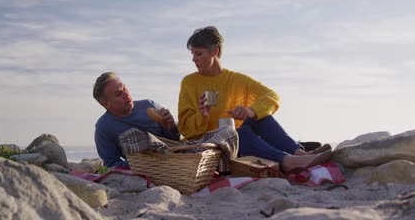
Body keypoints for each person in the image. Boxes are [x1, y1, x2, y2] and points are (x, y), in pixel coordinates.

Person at [177, 26, 332, 173]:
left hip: (238, 143)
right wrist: (202, 115)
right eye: (192, 54)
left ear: (215, 52)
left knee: (261, 117)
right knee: (238, 132)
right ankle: (288, 161)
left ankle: (299, 154)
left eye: (198, 54)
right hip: (207, 144)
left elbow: (271, 96)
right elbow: (185, 130)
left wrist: (251, 110)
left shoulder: (236, 79)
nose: (193, 59)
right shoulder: (189, 83)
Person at [93, 72, 180, 168]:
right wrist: (143, 163)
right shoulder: (104, 127)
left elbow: (176, 142)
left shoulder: (149, 105)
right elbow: (111, 164)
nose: (126, 94)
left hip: (175, 164)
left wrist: (172, 127)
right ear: (106, 104)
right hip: (146, 172)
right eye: (118, 94)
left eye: (124, 88)